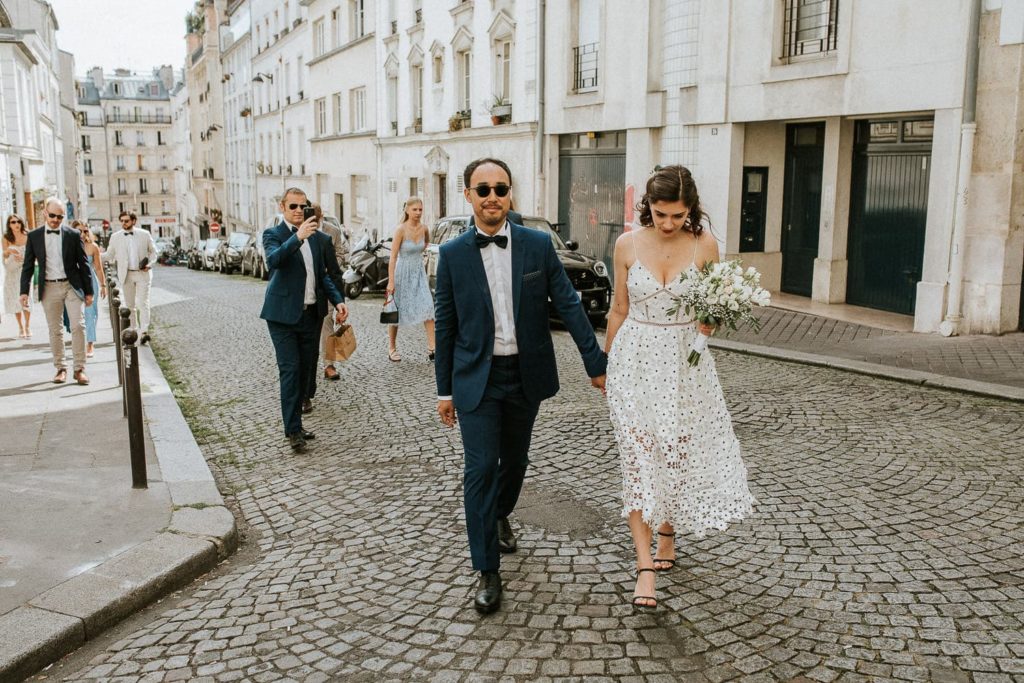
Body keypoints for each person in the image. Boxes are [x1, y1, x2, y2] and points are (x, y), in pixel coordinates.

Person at [434, 158, 607, 614]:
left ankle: (500, 511)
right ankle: (486, 569)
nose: (492, 196)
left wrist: (596, 360)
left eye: (501, 188)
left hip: (524, 375)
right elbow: (447, 325)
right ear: (467, 195)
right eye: (483, 188)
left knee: (515, 460)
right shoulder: (451, 256)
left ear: (510, 193)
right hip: (477, 380)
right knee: (479, 470)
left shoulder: (534, 245)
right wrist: (444, 392)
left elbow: (569, 304)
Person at [604, 165, 755, 611]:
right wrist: (607, 365)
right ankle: (644, 568)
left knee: (676, 453)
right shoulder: (626, 244)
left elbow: (711, 309)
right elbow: (617, 307)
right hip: (633, 361)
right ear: (647, 206)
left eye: (677, 215)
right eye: (660, 213)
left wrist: (712, 319)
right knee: (638, 461)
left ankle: (668, 528)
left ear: (690, 210)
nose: (668, 223)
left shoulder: (704, 244)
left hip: (684, 365)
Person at [260, 187, 348, 453]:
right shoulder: (273, 235)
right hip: (282, 316)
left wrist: (338, 300)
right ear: (282, 208)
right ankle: (293, 431)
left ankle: (297, 423)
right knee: (290, 370)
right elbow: (273, 261)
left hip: (312, 315)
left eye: (303, 206)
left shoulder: (319, 239)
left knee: (306, 373)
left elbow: (323, 276)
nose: (299, 211)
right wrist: (297, 237)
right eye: (293, 207)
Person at [20, 198, 94, 385]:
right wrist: (24, 292)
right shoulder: (34, 236)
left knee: (78, 325)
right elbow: (28, 265)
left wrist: (89, 291)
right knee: (55, 330)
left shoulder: (72, 234)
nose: (55, 220)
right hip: (49, 287)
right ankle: (61, 368)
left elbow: (83, 264)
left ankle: (80, 369)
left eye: (59, 217)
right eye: (52, 215)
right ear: (45, 212)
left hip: (71, 285)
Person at [303, 203, 345, 413]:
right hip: (308, 290)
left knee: (328, 324)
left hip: (326, 286)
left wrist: (327, 264)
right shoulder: (298, 233)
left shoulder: (332, 232)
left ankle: (329, 364)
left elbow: (340, 256)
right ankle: (305, 387)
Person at [385, 196, 435, 362]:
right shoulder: (400, 229)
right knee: (395, 311)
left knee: (428, 306)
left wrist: (418, 258)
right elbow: (392, 257)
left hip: (419, 272)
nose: (418, 213)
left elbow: (426, 244)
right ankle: (392, 347)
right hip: (402, 272)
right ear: (407, 210)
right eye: (415, 209)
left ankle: (432, 348)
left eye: (420, 209)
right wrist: (391, 281)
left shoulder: (425, 229)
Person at [102, 210, 157, 345]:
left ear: (133, 221)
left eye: (126, 221)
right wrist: (93, 256)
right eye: (121, 221)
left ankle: (144, 332)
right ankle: (133, 331)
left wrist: (149, 265)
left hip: (143, 274)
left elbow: (154, 252)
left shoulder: (145, 234)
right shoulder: (115, 237)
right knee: (130, 305)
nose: (123, 223)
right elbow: (108, 255)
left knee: (143, 303)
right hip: (126, 274)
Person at [72, 221, 106, 356]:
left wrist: (103, 285)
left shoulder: (93, 247)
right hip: (74, 282)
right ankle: (78, 340)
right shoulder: (68, 246)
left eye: (85, 231)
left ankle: (90, 343)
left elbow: (98, 267)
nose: (82, 234)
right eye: (78, 231)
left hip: (90, 281)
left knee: (91, 313)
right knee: (75, 314)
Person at [3, 213, 32, 338]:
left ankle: (27, 326)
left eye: (18, 222)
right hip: (12, 272)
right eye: (13, 222)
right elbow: (4, 256)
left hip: (25, 271)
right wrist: (9, 251)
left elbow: (33, 253)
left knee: (26, 299)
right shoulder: (5, 237)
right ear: (9, 225)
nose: (16, 224)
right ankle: (20, 326)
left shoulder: (28, 235)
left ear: (21, 223)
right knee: (16, 300)